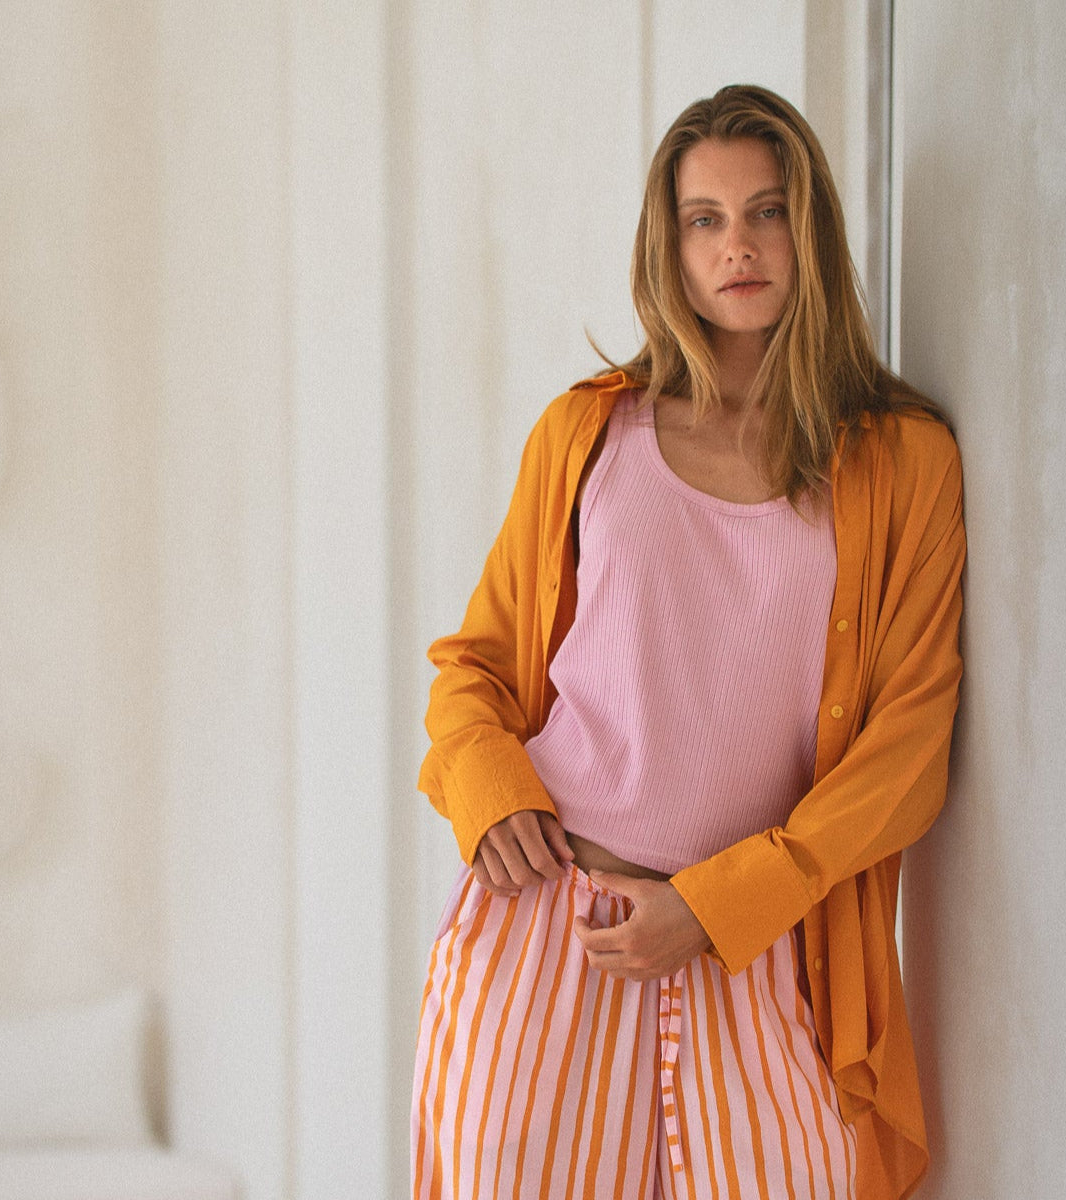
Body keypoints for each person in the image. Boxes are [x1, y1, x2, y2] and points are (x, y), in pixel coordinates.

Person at [412, 84, 964, 1200]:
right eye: (704, 219)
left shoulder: (904, 462)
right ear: (667, 244)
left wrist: (724, 905)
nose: (738, 246)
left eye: (767, 211)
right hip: (552, 929)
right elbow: (474, 664)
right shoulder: (586, 432)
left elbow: (906, 748)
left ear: (810, 230)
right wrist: (490, 787)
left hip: (757, 949)